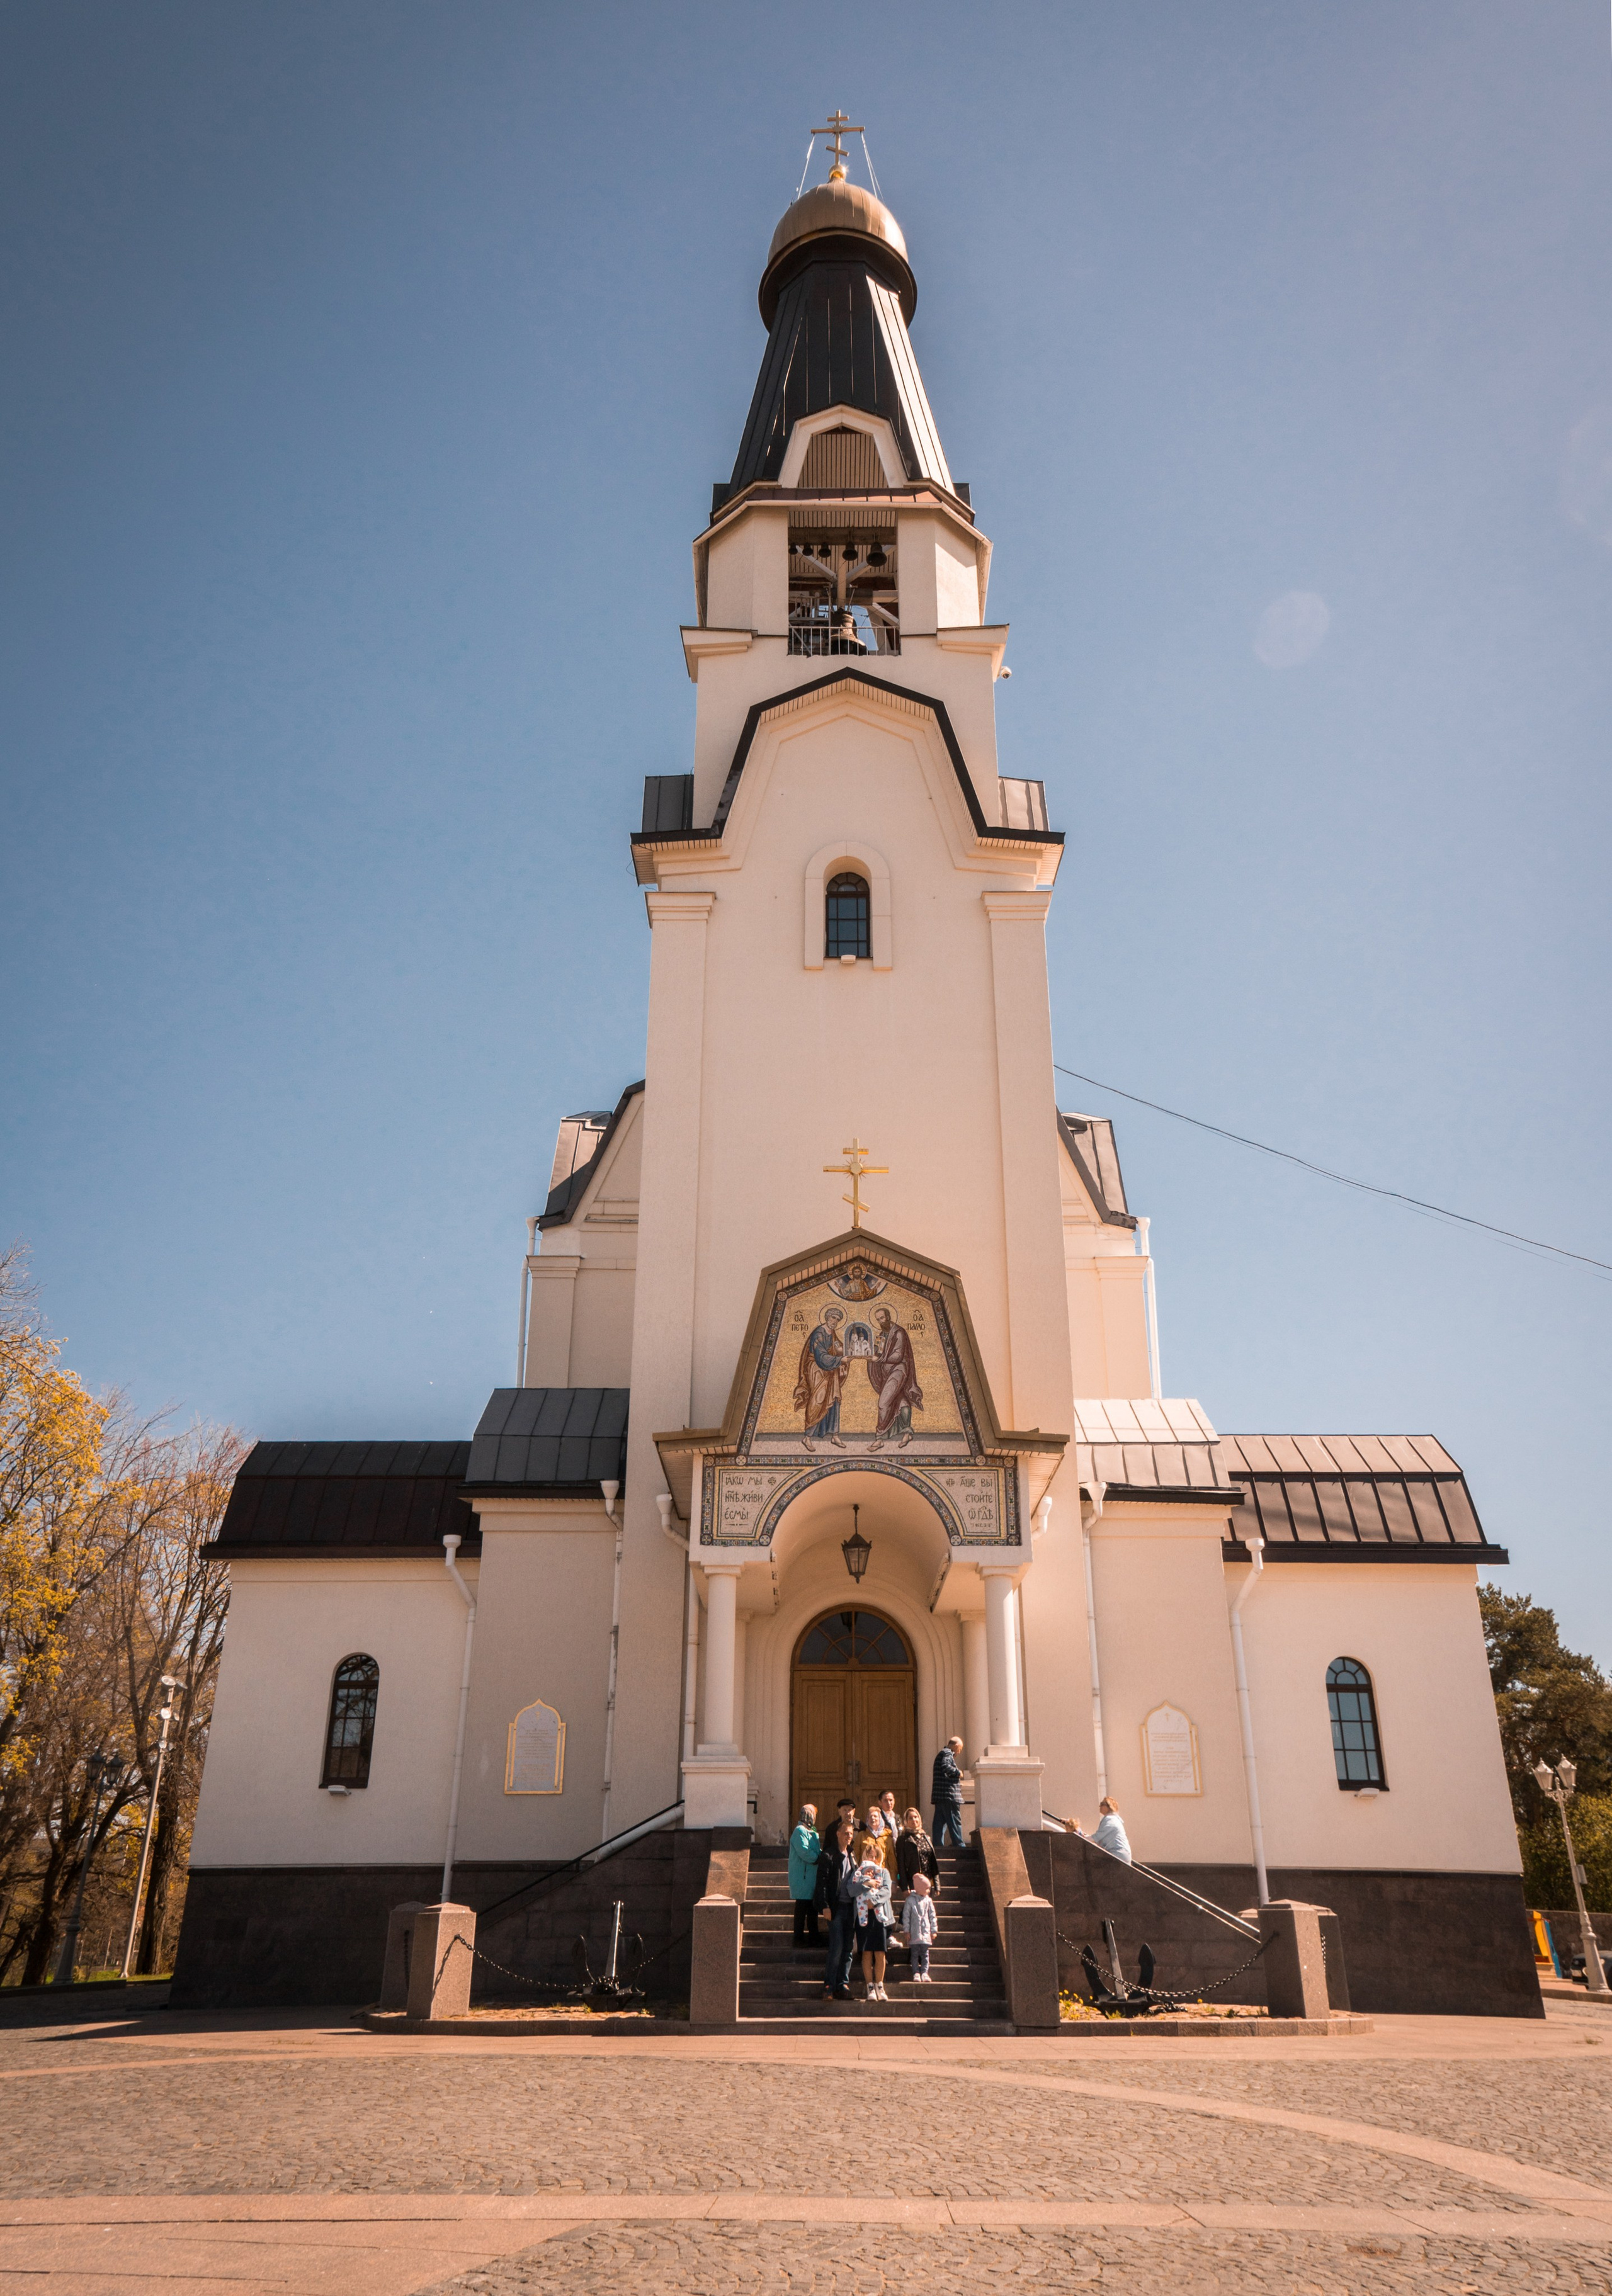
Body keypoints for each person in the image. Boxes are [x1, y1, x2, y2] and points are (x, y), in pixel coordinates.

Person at [820, 1816, 859, 2000]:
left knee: (848, 1950)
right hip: (835, 1909)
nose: (848, 1837)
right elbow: (822, 1885)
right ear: (837, 1834)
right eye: (845, 1833)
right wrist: (825, 1906)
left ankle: (843, 1984)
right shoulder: (828, 1855)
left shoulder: (852, 1856)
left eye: (850, 1834)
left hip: (850, 1908)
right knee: (836, 1948)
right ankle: (829, 1985)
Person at [851, 1840, 895, 1999]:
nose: (873, 1858)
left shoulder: (884, 1872)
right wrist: (866, 1883)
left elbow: (887, 1891)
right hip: (863, 1917)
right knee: (867, 1952)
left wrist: (874, 1901)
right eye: (870, 1855)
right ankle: (870, 1986)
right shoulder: (859, 1872)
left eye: (876, 1856)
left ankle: (880, 1986)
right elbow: (851, 1889)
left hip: (879, 1917)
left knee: (880, 1952)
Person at [788, 1803, 821, 1945]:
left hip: (810, 1878)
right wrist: (819, 1858)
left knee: (812, 1910)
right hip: (803, 1877)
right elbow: (805, 1852)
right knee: (801, 1909)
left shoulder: (811, 1832)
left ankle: (814, 1937)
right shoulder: (800, 1831)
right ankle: (799, 1938)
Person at [895, 1807, 938, 1900]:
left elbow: (933, 1862)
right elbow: (901, 1864)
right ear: (906, 1821)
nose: (914, 1820)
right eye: (910, 1818)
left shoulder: (926, 1837)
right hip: (913, 1881)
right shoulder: (903, 1839)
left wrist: (937, 1884)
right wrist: (904, 1887)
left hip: (927, 1881)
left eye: (916, 1817)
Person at [902, 1870, 938, 1982]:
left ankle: (925, 1972)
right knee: (914, 1954)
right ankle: (916, 1972)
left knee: (925, 1954)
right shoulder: (910, 1900)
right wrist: (906, 1930)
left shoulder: (928, 1901)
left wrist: (934, 1930)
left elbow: (932, 1916)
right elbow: (906, 1916)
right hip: (914, 1932)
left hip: (926, 1932)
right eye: (927, 1888)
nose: (928, 1891)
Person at [931, 1736, 965, 1850]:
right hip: (949, 1796)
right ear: (956, 1747)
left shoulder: (941, 1753)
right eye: (960, 1750)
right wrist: (958, 1773)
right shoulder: (948, 1752)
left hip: (940, 1796)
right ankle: (960, 1846)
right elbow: (946, 1766)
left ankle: (938, 1847)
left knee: (939, 1824)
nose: (959, 1753)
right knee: (954, 1822)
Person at [1093, 1796, 1132, 1863]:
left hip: (1118, 1855)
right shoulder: (1114, 1819)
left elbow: (1097, 1837)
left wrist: (1082, 1837)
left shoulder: (1110, 1820)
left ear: (1108, 1806)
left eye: (1102, 1804)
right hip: (1122, 1855)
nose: (1100, 1806)